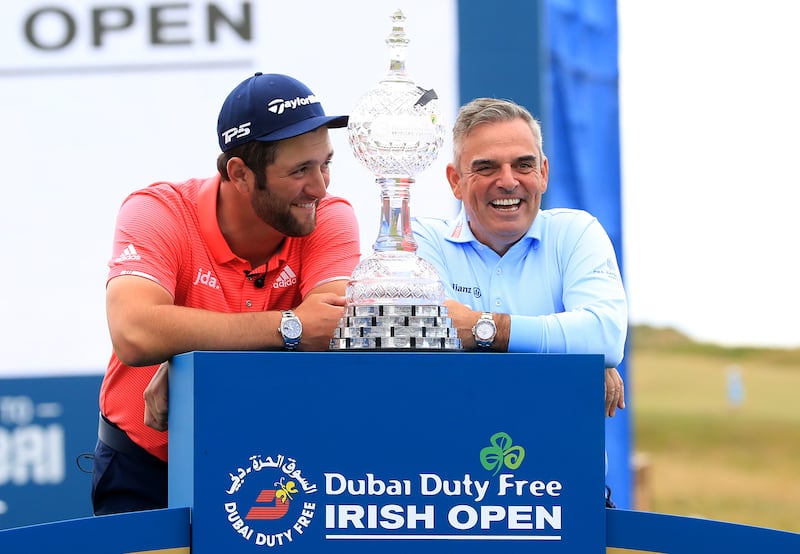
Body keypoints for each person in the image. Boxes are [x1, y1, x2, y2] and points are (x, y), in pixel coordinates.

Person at [92, 72, 360, 515]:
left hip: (274, 468)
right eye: (300, 171)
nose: (321, 187)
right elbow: (135, 332)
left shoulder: (328, 216)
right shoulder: (158, 210)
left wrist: (195, 366)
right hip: (146, 468)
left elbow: (331, 334)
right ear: (240, 173)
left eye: (325, 163)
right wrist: (288, 325)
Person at [411, 97, 628, 505]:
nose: (508, 181)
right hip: (444, 496)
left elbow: (605, 338)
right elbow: (424, 368)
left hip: (563, 495)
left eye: (523, 164)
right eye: (486, 167)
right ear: (455, 180)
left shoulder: (577, 233)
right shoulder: (423, 241)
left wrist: (484, 329)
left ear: (543, 173)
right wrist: (570, 367)